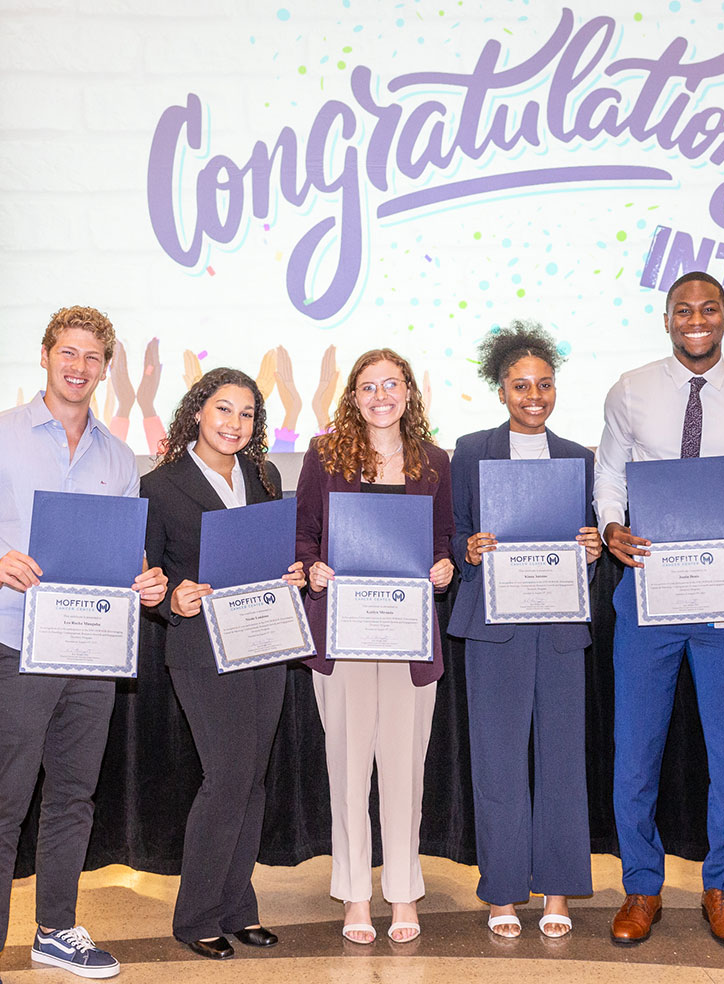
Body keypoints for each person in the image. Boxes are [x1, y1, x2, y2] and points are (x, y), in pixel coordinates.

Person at [0, 306, 168, 984]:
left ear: (106, 369)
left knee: (73, 796)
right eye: (69, 351)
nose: (79, 366)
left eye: (93, 357)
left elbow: (122, 554)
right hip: (13, 645)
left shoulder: (119, 456)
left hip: (89, 650)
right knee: (2, 801)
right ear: (45, 355)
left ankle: (56, 931)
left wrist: (144, 582)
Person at [594, 271, 724, 947]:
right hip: (647, 586)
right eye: (685, 310)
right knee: (635, 751)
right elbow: (610, 474)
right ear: (668, 318)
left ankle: (722, 887)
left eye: (709, 309)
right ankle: (641, 887)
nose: (697, 319)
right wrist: (611, 524)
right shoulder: (630, 390)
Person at [140, 367, 306, 959]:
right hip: (200, 649)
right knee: (227, 778)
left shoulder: (265, 475)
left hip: (262, 641)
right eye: (223, 410)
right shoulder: (159, 486)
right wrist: (171, 600)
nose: (235, 424)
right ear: (197, 413)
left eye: (247, 414)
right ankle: (196, 917)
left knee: (252, 781)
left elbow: (275, 552)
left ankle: (238, 909)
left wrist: (293, 573)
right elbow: (148, 577)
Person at [294, 348, 456, 944]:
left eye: (392, 384)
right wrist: (312, 568)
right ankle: (356, 897)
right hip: (343, 635)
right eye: (368, 386)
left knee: (405, 771)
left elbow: (443, 539)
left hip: (410, 639)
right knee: (348, 769)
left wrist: (443, 567)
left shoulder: (436, 461)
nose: (380, 395)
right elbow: (305, 533)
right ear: (353, 396)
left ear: (409, 393)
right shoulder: (324, 454)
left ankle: (404, 894)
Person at [448, 322, 602, 939]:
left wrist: (593, 548)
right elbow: (453, 531)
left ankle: (559, 890)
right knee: (498, 762)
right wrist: (471, 548)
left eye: (543, 384)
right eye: (520, 386)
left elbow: (593, 534)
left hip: (560, 627)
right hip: (495, 629)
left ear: (555, 388)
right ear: (501, 389)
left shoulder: (580, 459)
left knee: (563, 760)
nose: (533, 396)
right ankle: (503, 891)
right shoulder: (470, 450)